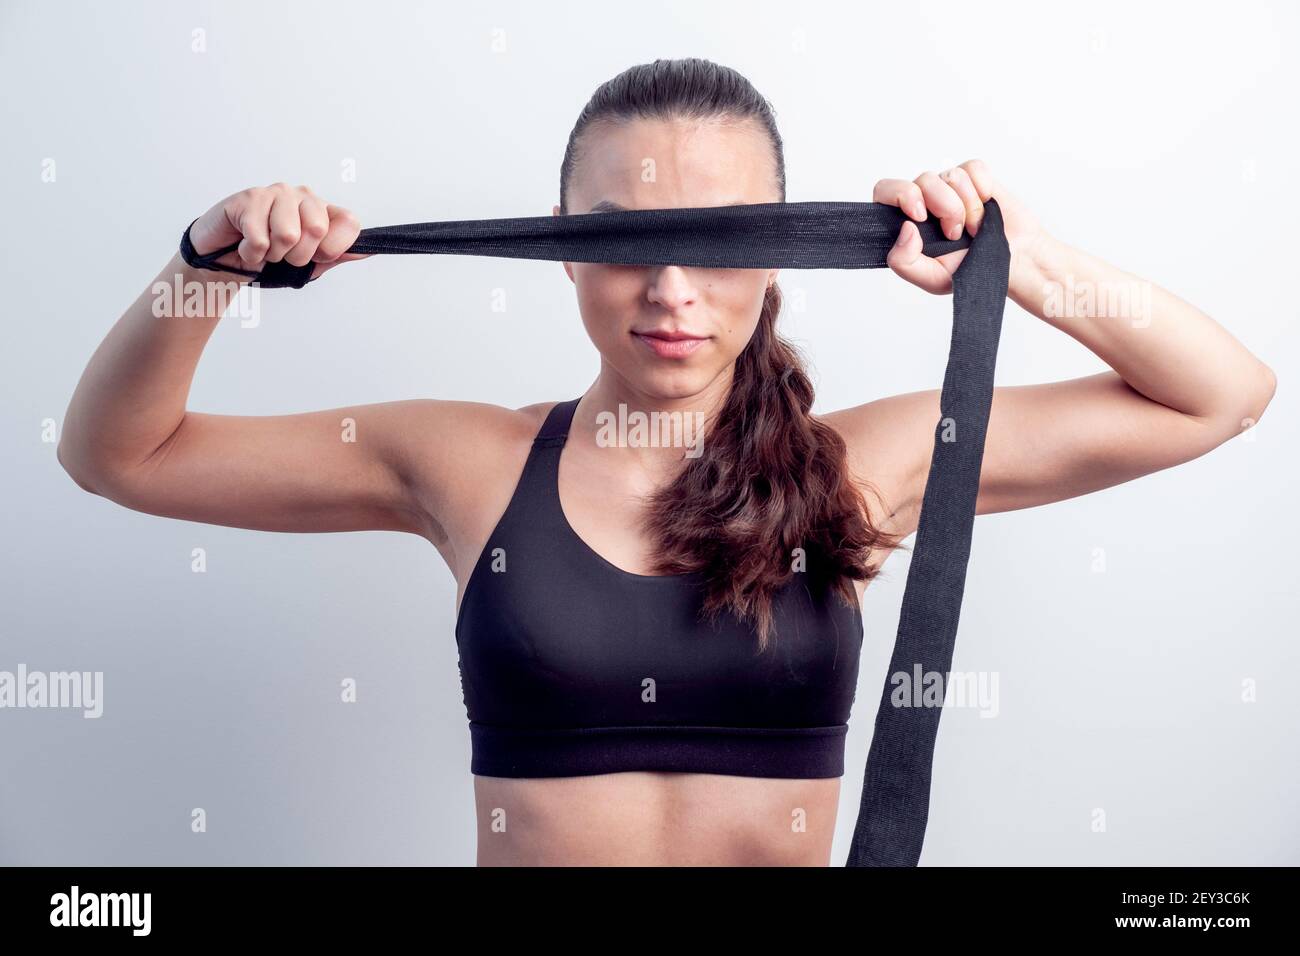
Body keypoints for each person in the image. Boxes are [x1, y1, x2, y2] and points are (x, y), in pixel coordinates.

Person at [57, 58, 1275, 866]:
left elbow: (1222, 396)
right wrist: (204, 268)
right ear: (563, 254)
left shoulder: (855, 467)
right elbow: (119, 456)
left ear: (784, 253)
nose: (672, 289)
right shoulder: (469, 458)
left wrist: (1026, 259)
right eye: (626, 240)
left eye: (723, 238)